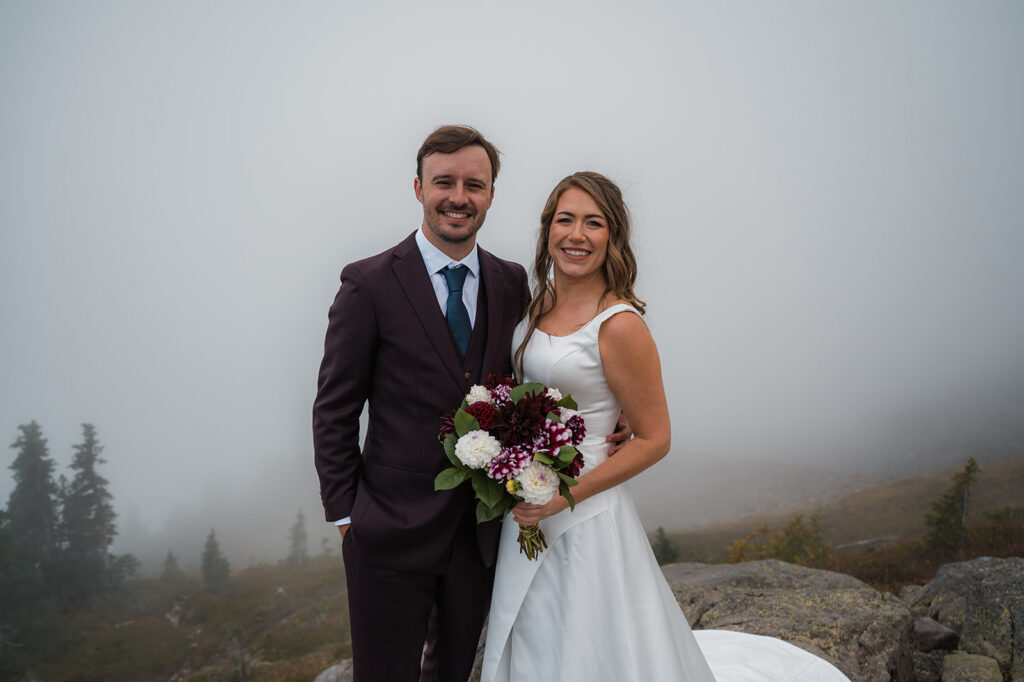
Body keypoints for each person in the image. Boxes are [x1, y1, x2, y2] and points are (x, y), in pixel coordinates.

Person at [481, 172, 851, 682]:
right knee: (536, 631)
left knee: (590, 643)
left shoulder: (620, 323)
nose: (576, 234)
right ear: (547, 229)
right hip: (528, 500)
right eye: (565, 219)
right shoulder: (538, 302)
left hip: (585, 512)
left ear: (612, 237)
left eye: (594, 223)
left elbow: (656, 439)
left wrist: (563, 497)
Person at [313, 128, 630, 681]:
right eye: (444, 182)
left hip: (482, 532)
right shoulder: (367, 284)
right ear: (418, 188)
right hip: (386, 532)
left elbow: (539, 371)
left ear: (490, 195)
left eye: (474, 185)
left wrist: (610, 410)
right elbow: (335, 409)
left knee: (455, 673)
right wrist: (347, 517)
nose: (459, 196)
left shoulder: (512, 283)